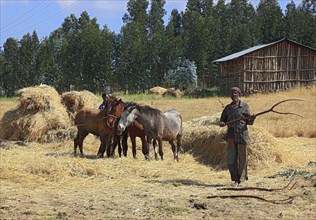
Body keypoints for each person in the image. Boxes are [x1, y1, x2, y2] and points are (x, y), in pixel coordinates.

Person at [219, 87, 256, 187]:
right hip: (231, 136)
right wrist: (222, 123)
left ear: (239, 94)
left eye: (235, 93)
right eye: (231, 93)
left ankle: (242, 180)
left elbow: (249, 122)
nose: (233, 95)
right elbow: (222, 120)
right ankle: (235, 179)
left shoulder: (244, 106)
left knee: (243, 158)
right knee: (231, 158)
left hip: (242, 135)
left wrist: (252, 119)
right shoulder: (227, 108)